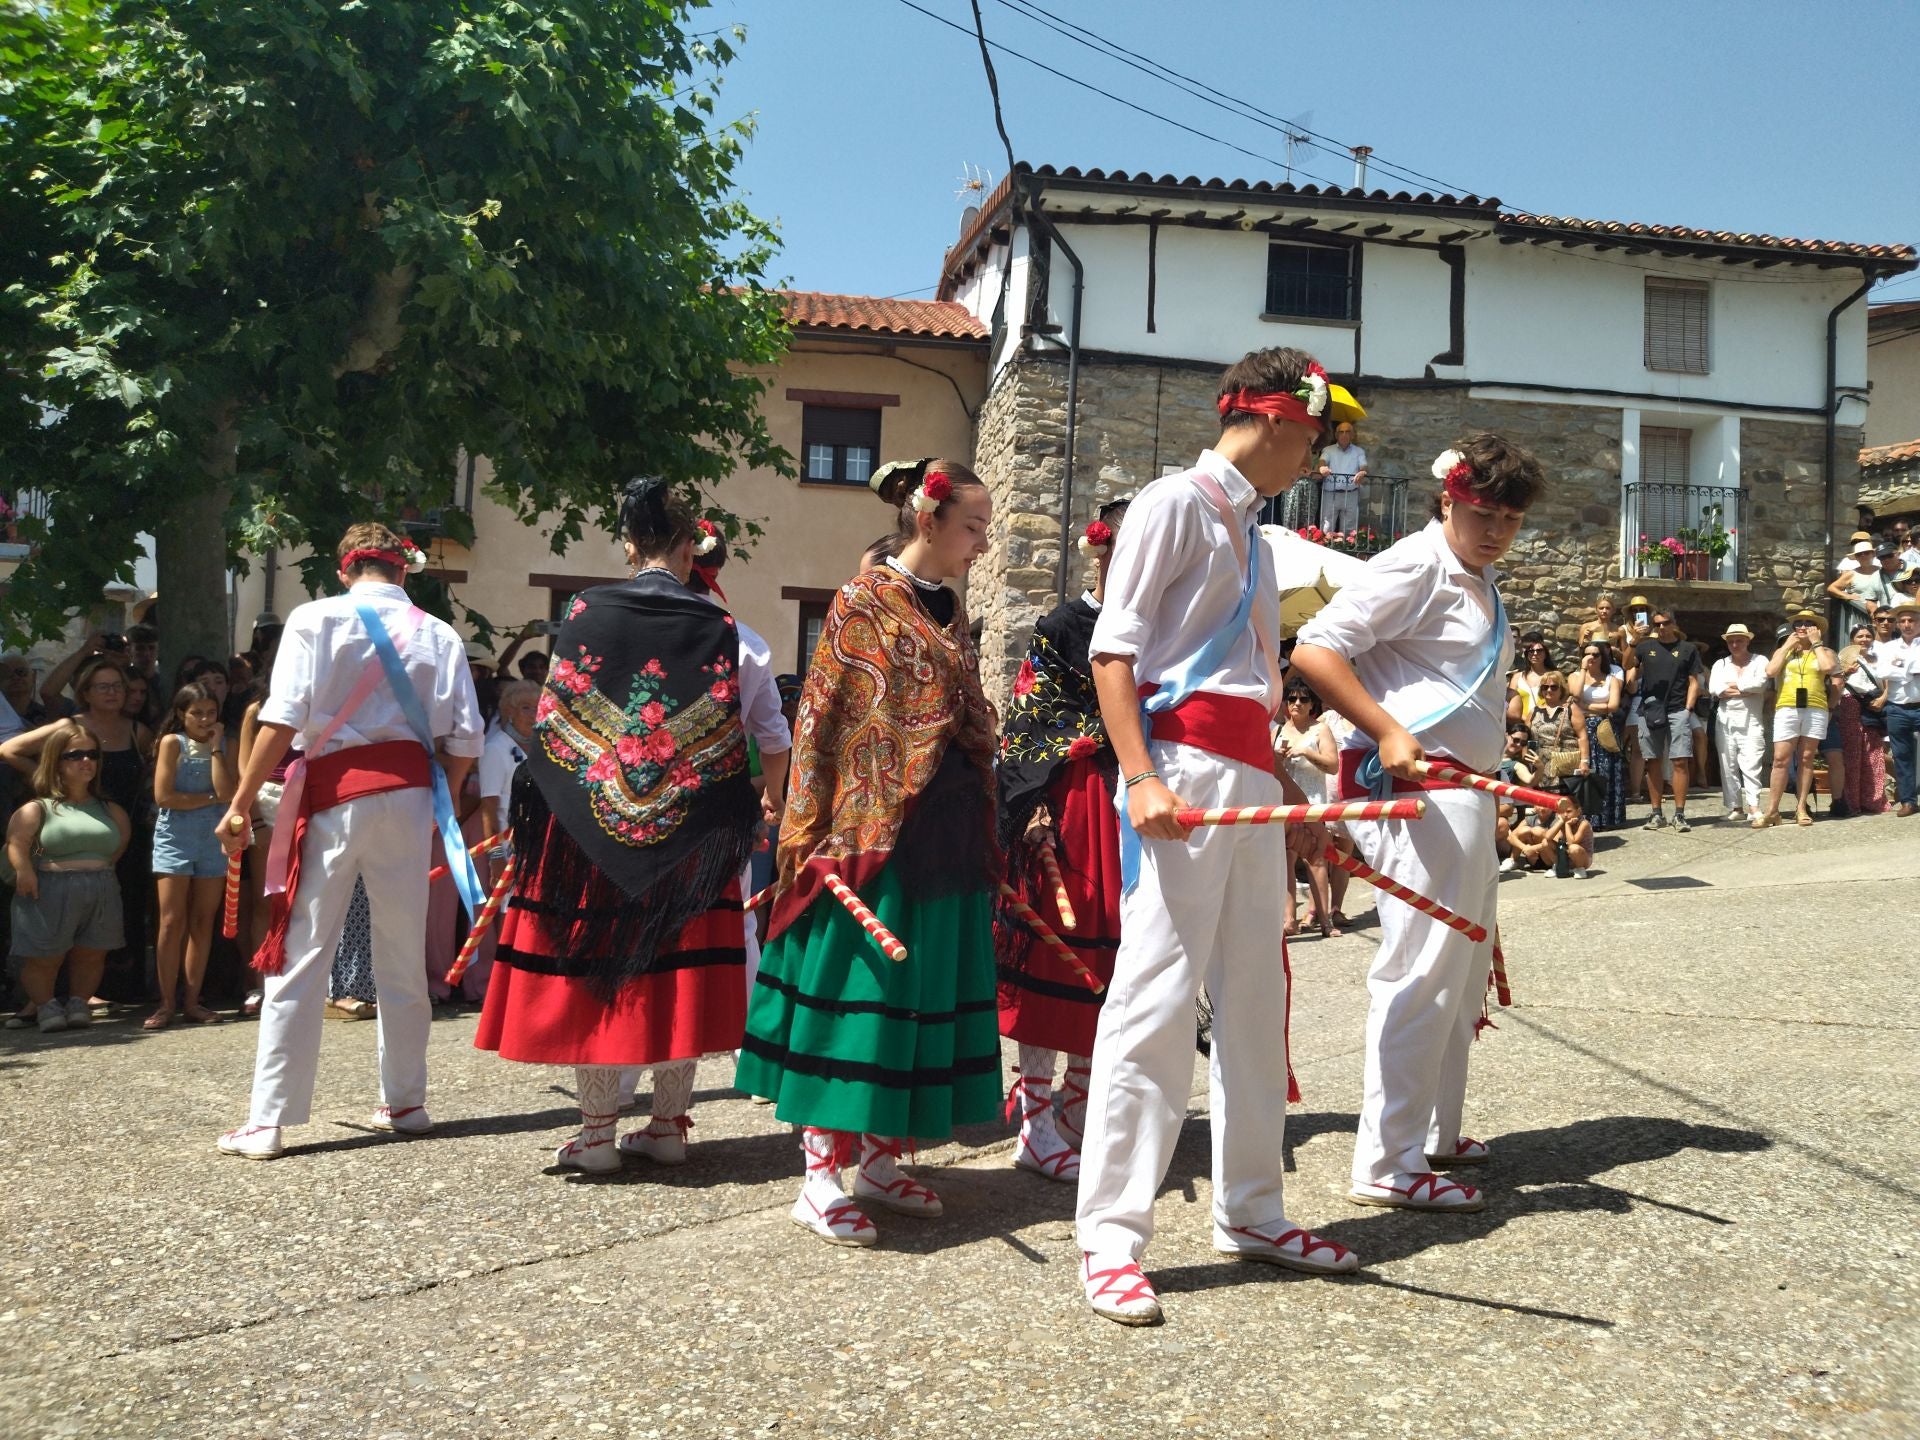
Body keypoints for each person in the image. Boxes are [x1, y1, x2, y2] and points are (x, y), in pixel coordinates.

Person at [1073, 347, 1364, 1327]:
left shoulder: (1261, 536)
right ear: (1278, 420)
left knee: (1256, 1000)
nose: (1315, 458)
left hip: (1241, 776)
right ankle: (1111, 1242)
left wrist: (1287, 790)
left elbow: (1252, 684)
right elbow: (1113, 652)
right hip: (1182, 775)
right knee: (1154, 1001)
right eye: (1315, 438)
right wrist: (1143, 776)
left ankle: (1253, 1212)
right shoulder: (1171, 503)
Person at [737, 458, 1002, 1249]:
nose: (983, 544)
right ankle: (819, 1176)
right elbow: (830, 718)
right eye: (974, 527)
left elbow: (963, 701)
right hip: (868, 829)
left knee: (919, 992)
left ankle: (884, 1160)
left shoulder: (949, 608)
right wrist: (818, 820)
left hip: (943, 830)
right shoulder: (861, 601)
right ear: (930, 521)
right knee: (860, 992)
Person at [474, 479, 763, 1174]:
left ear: (629, 545)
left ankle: (598, 1133)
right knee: (678, 974)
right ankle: (667, 1126)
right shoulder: (725, 629)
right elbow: (750, 730)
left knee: (600, 968)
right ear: (693, 545)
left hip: (593, 832)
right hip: (693, 830)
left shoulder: (584, 610)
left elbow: (559, 725)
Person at [1295, 432, 1546, 1220]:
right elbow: (1316, 649)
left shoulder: (1479, 576)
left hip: (1466, 789)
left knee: (1460, 972)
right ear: (1450, 500)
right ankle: (1389, 1160)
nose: (1497, 529)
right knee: (1422, 970)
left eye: (1510, 516)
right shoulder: (1413, 562)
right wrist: (1384, 729)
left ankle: (1432, 1132)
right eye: (1483, 512)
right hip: (1421, 789)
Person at [214, 523, 484, 1161]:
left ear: (345, 568)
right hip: (412, 799)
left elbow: (282, 720)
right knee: (399, 950)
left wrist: (240, 801)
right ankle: (407, 1101)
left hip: (334, 798)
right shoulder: (439, 634)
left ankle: (268, 1120)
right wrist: (430, 797)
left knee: (303, 952)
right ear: (404, 572)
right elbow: (465, 740)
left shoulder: (315, 618)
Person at [995, 501, 1130, 1183]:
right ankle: (1037, 1123)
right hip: (1072, 804)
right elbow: (1027, 721)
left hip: (1132, 806)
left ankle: (1077, 1107)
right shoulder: (1062, 626)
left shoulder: (1158, 624)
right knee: (1058, 960)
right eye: (1117, 549)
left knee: (1118, 967)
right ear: (1098, 551)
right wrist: (1034, 806)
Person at [3, 654, 154, 1002]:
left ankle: (116, 990)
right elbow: (9, 749)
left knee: (122, 911)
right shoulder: (68, 726)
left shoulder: (136, 730)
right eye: (103, 686)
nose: (112, 693)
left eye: (117, 686)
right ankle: (50, 999)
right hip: (71, 830)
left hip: (123, 832)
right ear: (86, 691)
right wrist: (50, 780)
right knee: (61, 918)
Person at [6, 722, 131, 1032]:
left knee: (92, 952)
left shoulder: (109, 808)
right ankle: (46, 1006)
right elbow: (16, 844)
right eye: (75, 755)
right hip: (49, 886)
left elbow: (119, 845)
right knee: (44, 956)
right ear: (56, 761)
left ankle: (78, 1002)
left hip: (101, 886)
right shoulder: (39, 807)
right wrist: (24, 872)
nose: (86, 761)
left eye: (92, 754)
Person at [147, 681, 237, 1029]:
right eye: (196, 713)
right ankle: (165, 1003)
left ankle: (192, 1001)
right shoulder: (173, 743)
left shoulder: (224, 745)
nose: (203, 719)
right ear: (181, 714)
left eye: (210, 713)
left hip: (213, 840)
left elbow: (228, 790)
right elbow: (164, 796)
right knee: (171, 920)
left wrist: (215, 748)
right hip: (175, 837)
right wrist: (213, 800)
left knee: (203, 921)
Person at [1757, 610, 1837, 828]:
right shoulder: (1784, 651)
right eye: (1798, 624)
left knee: (1806, 758)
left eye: (1808, 623)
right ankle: (1772, 810)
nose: (1802, 627)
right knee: (1781, 759)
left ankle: (1801, 807)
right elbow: (1771, 671)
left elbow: (1828, 668)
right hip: (1787, 706)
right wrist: (1785, 647)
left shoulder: (1825, 651)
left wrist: (1816, 643)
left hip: (1815, 707)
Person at [1630, 610, 1705, 832]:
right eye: (1657, 624)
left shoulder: (1688, 649)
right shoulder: (1644, 647)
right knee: (1652, 761)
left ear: (1674, 624)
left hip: (1677, 710)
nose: (1661, 628)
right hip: (1650, 710)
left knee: (1680, 761)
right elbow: (1628, 666)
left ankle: (1679, 814)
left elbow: (1694, 681)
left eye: (1665, 623)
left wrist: (1688, 708)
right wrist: (1634, 640)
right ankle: (1656, 813)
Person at [1276, 684, 1341, 937]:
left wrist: (1306, 751)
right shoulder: (1278, 730)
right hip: (1284, 803)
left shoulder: (1320, 729)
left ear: (1312, 704)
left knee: (1316, 860)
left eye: (1304, 699)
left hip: (1313, 802)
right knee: (1285, 861)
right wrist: (1278, 756)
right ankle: (1289, 920)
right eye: (1292, 698)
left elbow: (1333, 765)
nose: (1297, 703)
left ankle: (1325, 922)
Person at [1709, 625, 1770, 823]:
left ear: (1747, 641)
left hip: (1751, 720)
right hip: (1725, 720)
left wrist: (1734, 687)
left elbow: (1761, 685)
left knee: (1752, 763)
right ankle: (1736, 807)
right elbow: (1715, 689)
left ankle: (1754, 806)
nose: (1735, 644)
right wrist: (1746, 689)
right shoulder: (1721, 664)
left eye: (1739, 640)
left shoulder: (1760, 660)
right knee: (1728, 765)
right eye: (1731, 641)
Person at [1835, 623, 1889, 816]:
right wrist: (1845, 672)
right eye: (1860, 636)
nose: (1864, 639)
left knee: (1873, 752)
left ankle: (1873, 801)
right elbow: (1833, 681)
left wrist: (1883, 699)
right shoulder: (1844, 657)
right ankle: (1852, 802)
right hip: (1849, 702)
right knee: (1852, 754)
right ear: (1852, 640)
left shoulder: (1877, 659)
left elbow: (1887, 682)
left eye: (1868, 636)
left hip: (1872, 705)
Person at [1570, 642, 1626, 829]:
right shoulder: (1575, 676)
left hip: (1603, 728)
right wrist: (1584, 670)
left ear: (1603, 657)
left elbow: (1613, 706)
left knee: (1606, 773)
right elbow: (1575, 695)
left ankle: (1607, 818)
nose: (1592, 657)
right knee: (1585, 774)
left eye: (1596, 654)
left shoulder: (1612, 679)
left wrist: (1586, 707)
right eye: (1588, 654)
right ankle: (1586, 818)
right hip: (1581, 728)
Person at [1879, 602, 1920, 817]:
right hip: (1897, 708)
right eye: (1902, 621)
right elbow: (1882, 671)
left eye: (1911, 620)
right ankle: (1908, 802)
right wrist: (1909, 671)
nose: (1906, 625)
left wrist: (1900, 666)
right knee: (1902, 757)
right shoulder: (1888, 648)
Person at [1507, 800, 1593, 877]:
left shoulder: (1583, 823)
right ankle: (1557, 866)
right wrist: (1525, 848)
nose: (1566, 815)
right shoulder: (1532, 819)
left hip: (1580, 857)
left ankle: (1579, 869)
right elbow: (1547, 838)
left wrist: (1566, 825)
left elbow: (1570, 842)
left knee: (1574, 848)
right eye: (1563, 812)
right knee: (1540, 838)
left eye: (1569, 811)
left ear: (1578, 811)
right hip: (1557, 855)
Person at [1828, 542, 1894, 634]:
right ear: (1856, 558)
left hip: (1885, 615)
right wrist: (1847, 596)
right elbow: (1832, 588)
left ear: (1873, 554)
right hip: (1860, 616)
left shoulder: (1882, 571)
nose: (1863, 556)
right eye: (1859, 554)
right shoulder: (1851, 574)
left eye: (1866, 553)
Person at [1317, 419, 1367, 534]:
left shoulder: (1359, 451)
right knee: (1326, 526)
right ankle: (1325, 549)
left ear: (1353, 435)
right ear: (1336, 435)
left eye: (1348, 432)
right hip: (1331, 494)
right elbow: (1323, 460)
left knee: (1349, 529)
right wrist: (1322, 468)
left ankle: (1347, 551)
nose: (1344, 434)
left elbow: (1363, 465)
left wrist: (1362, 472)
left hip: (1351, 494)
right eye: (1341, 432)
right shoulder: (1328, 450)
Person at [1505, 632, 1553, 723]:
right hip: (1521, 725)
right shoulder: (1517, 677)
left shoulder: (1554, 676)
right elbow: (1510, 703)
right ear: (1527, 654)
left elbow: (1560, 701)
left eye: (1539, 651)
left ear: (1546, 653)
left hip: (1546, 724)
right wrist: (1526, 719)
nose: (1535, 654)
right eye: (1531, 651)